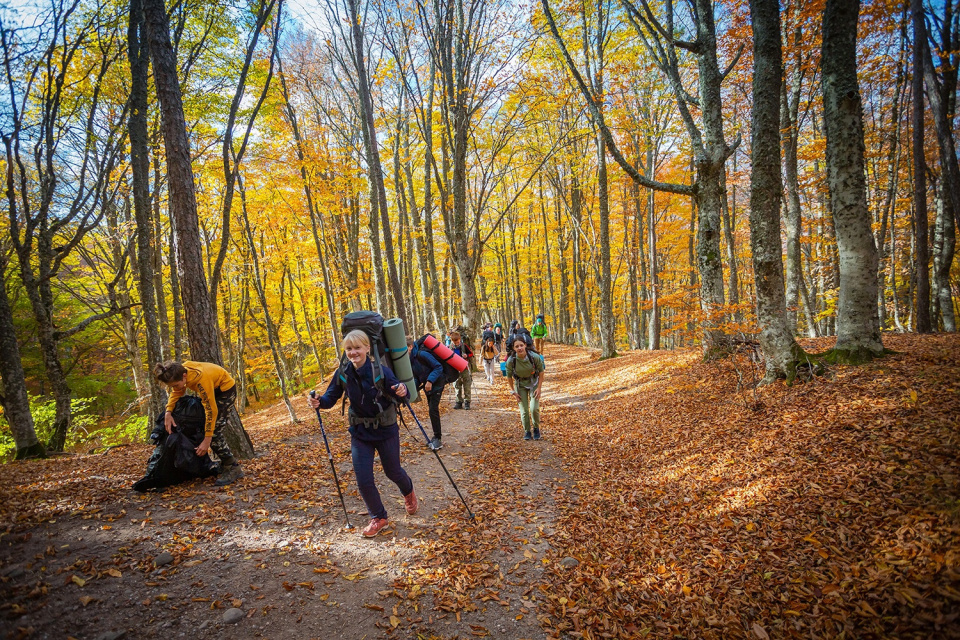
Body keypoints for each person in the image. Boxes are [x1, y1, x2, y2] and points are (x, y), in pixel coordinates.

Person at [308, 330, 417, 538]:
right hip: (360, 432)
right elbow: (330, 399)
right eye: (349, 349)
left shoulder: (381, 371)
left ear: (368, 348)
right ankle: (379, 517)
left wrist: (403, 390)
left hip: (385, 430)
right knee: (363, 479)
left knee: (392, 472)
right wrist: (318, 402)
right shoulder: (343, 373)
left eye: (357, 348)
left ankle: (409, 492)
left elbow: (403, 395)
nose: (353, 352)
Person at [154, 361, 245, 486]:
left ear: (184, 376)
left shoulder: (201, 380)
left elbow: (211, 410)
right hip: (212, 389)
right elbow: (177, 391)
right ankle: (222, 463)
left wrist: (207, 440)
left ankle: (233, 466)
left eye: (176, 384)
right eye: (172, 386)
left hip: (225, 391)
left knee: (213, 432)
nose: (175, 388)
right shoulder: (182, 371)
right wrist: (168, 412)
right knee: (205, 427)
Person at [408, 336, 446, 450]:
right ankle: (436, 437)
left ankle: (438, 439)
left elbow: (438, 367)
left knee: (433, 409)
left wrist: (429, 380)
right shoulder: (411, 358)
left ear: (410, 346)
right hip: (427, 386)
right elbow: (417, 376)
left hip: (437, 383)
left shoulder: (421, 354)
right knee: (432, 409)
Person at [505, 336, 545, 441]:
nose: (519, 348)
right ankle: (527, 431)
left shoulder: (534, 357)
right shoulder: (511, 361)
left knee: (534, 408)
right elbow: (509, 377)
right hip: (520, 385)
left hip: (534, 383)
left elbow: (541, 371)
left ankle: (536, 429)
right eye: (517, 346)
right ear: (514, 348)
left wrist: (539, 388)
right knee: (524, 411)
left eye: (521, 345)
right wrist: (513, 392)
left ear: (525, 345)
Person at [449, 330, 473, 410]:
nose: (456, 344)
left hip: (464, 368)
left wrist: (467, 355)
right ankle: (458, 402)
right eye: (455, 342)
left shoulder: (464, 346)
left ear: (460, 339)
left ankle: (467, 402)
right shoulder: (450, 347)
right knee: (457, 385)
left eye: (458, 342)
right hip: (455, 369)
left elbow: (471, 354)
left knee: (467, 385)